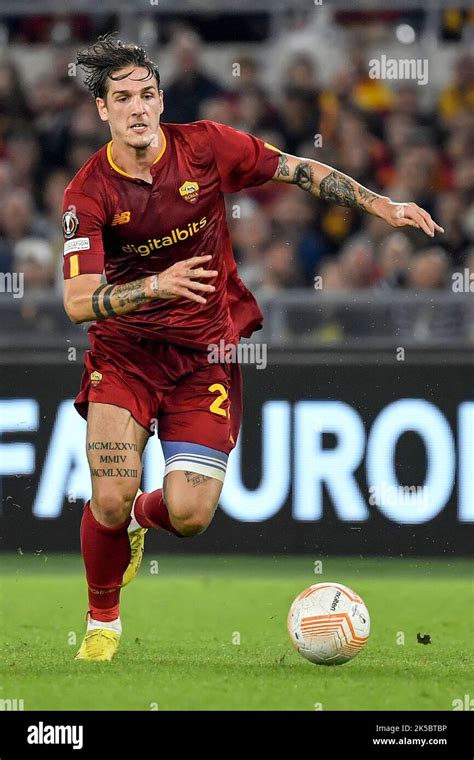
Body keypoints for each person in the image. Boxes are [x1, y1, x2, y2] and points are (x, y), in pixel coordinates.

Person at [63, 33, 443, 661]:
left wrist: (381, 204)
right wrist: (157, 284)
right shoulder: (88, 192)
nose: (138, 108)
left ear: (162, 100)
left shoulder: (207, 146)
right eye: (122, 97)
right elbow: (79, 303)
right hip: (125, 353)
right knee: (108, 491)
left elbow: (298, 169)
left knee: (188, 513)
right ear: (102, 110)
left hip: (206, 353)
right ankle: (103, 626)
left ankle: (138, 521)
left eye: (148, 95)